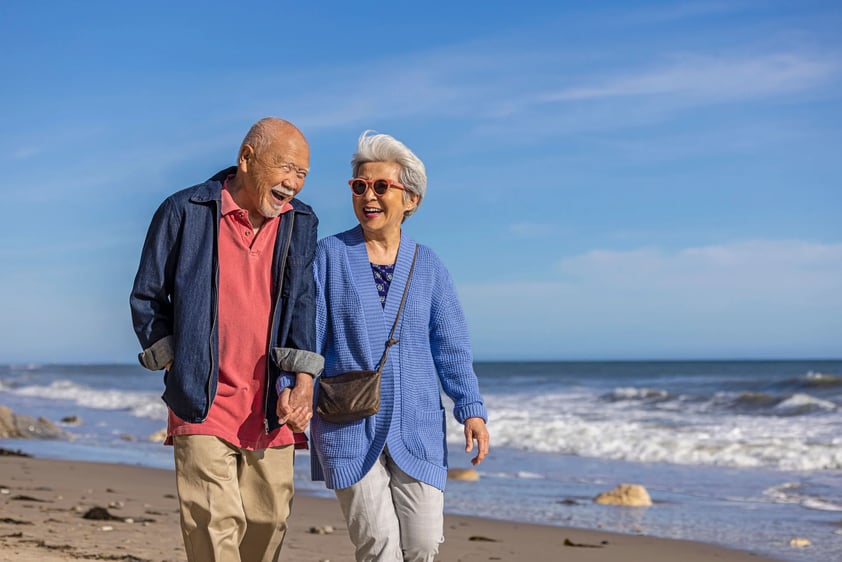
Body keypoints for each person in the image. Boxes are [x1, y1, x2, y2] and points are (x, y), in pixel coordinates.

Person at [129, 117, 323, 562]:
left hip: (271, 403)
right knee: (215, 527)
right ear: (247, 158)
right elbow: (147, 295)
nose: (293, 183)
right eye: (285, 168)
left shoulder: (301, 223)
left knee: (268, 521)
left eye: (302, 174)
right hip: (202, 399)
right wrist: (176, 360)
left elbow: (303, 305)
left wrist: (305, 379)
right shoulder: (184, 210)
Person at [308, 130, 490, 561]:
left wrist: (472, 409)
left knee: (424, 544)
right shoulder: (328, 256)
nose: (368, 196)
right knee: (379, 547)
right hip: (347, 423)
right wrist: (291, 392)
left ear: (411, 199)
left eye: (381, 186)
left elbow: (451, 348)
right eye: (359, 186)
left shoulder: (429, 265)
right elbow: (307, 339)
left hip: (418, 425)